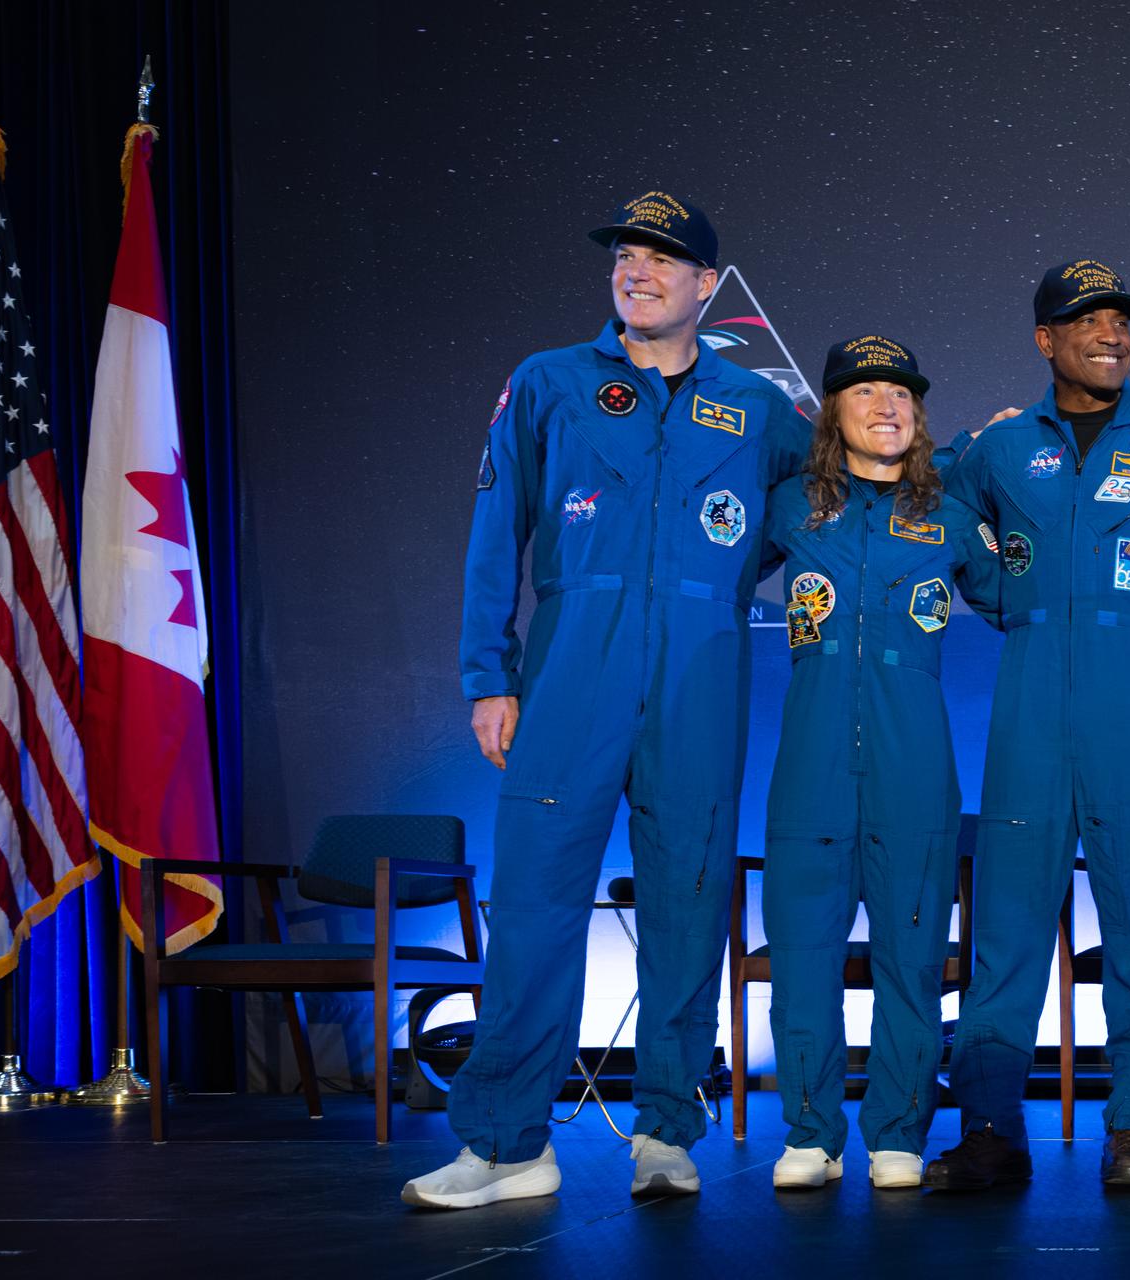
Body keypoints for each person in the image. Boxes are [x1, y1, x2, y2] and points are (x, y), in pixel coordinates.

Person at [403, 192, 811, 1209]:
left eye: (664, 258)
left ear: (706, 284)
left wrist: (714, 584)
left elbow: (816, 511)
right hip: (573, 665)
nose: (639, 269)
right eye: (627, 254)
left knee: (687, 901)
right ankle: (507, 1144)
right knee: (536, 903)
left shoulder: (757, 406)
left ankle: (666, 1131)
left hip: (700, 673)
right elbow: (496, 532)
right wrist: (488, 676)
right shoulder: (550, 381)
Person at [928, 261, 1130, 1191]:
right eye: (1087, 320)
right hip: (1030, 709)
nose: (1112, 334)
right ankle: (990, 1128)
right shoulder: (1000, 449)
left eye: (1121, 320)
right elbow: (938, 512)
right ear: (1046, 339)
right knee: (1006, 932)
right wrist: (1005, 596)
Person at [757, 336, 1003, 1191]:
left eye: (901, 392)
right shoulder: (790, 505)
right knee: (803, 956)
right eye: (865, 391)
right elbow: (712, 569)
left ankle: (897, 1129)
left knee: (912, 955)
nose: (887, 405)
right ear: (833, 411)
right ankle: (810, 1134)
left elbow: (1019, 599)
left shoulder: (951, 514)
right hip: (811, 763)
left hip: (914, 765)